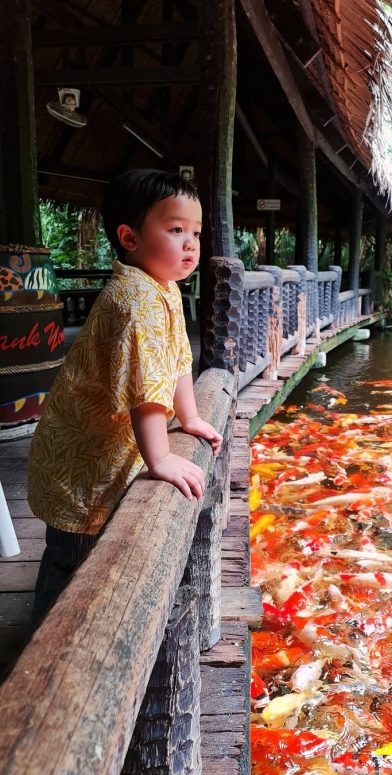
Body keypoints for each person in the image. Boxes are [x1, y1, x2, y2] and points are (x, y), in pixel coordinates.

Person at [27, 168, 223, 625]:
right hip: (82, 465)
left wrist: (189, 417)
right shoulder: (136, 301)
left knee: (75, 558)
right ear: (129, 237)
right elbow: (144, 391)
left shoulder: (164, 288)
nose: (191, 243)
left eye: (195, 232)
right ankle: (39, 647)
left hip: (95, 453)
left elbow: (175, 359)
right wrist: (160, 460)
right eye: (175, 230)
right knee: (71, 563)